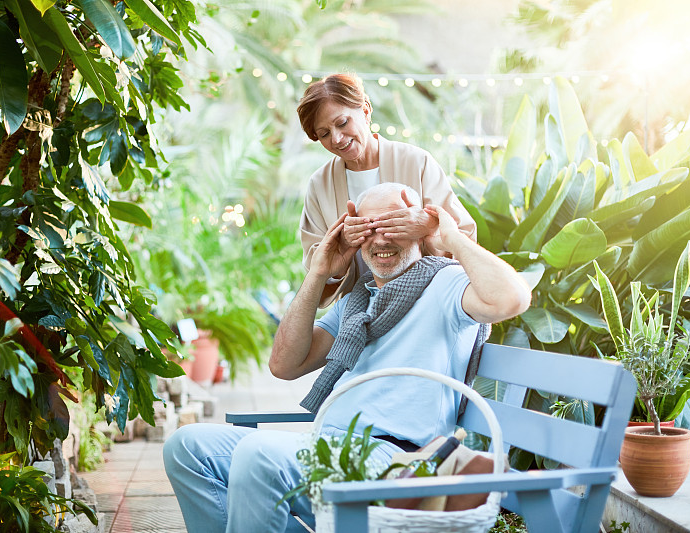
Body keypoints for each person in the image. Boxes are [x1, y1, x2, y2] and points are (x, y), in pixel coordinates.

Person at [163, 184, 530, 533]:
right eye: (368, 229)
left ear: (418, 229)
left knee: (259, 456)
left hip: (393, 460)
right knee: (186, 447)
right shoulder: (359, 302)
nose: (381, 239)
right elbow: (284, 365)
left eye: (395, 225)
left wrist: (447, 234)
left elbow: (512, 298)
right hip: (330, 445)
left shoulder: (446, 284)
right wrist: (320, 271)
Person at [297, 73, 478, 308]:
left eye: (342, 123)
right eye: (324, 134)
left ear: (365, 110)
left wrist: (427, 228)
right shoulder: (320, 184)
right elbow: (315, 268)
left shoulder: (417, 162)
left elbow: (464, 236)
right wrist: (340, 246)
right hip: (358, 309)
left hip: (425, 305)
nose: (338, 139)